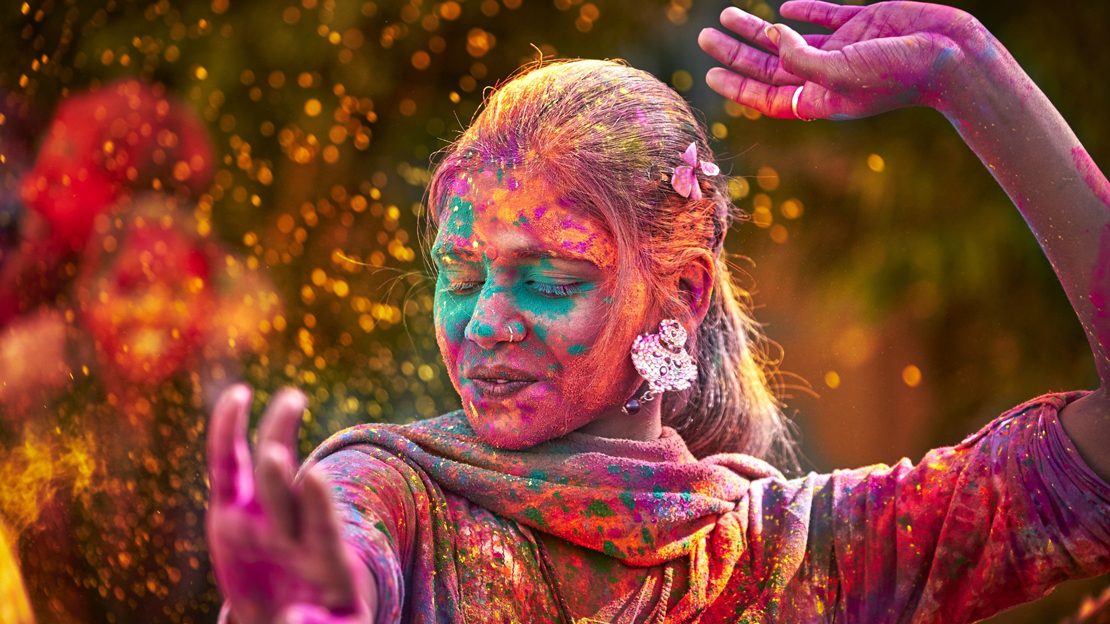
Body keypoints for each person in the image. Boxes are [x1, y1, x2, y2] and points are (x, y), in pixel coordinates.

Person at [205, 1, 1110, 622]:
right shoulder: (391, 498)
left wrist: (973, 73)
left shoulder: (805, 554)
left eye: (549, 280)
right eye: (461, 272)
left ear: (681, 293)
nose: (486, 322)